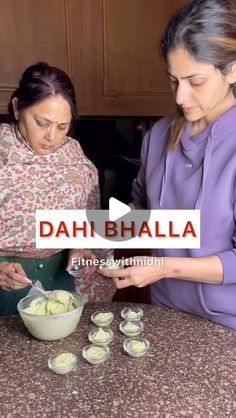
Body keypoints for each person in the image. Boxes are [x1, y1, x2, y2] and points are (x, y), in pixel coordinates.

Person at [99, 0, 236, 330]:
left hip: (226, 325)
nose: (179, 97)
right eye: (173, 80)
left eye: (195, 81)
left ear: (231, 70)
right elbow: (142, 209)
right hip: (163, 314)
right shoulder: (158, 135)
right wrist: (94, 239)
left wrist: (163, 266)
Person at [0, 62, 115, 315]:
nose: (52, 137)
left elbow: (87, 222)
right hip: (7, 287)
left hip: (63, 283)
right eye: (42, 123)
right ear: (18, 108)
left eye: (62, 127)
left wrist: (81, 249)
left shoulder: (74, 156)